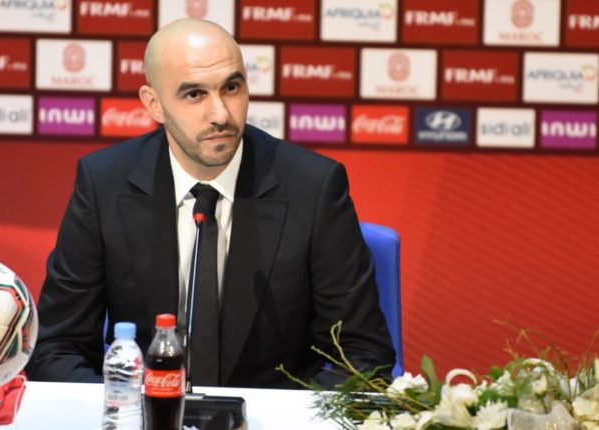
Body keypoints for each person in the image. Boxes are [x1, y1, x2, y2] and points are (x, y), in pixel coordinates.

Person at [25, 18, 395, 389]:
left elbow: (363, 353)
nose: (220, 115)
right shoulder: (104, 183)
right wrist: (128, 411)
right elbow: (57, 347)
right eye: (194, 95)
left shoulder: (313, 187)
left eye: (232, 88)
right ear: (154, 104)